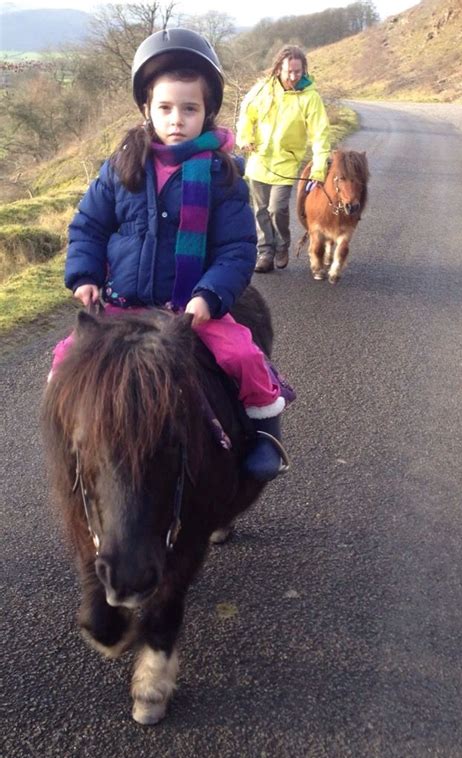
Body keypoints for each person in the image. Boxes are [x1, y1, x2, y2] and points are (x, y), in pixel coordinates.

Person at [50, 28, 293, 482]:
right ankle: (73, 440)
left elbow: (236, 248)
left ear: (207, 112)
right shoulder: (121, 165)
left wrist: (209, 296)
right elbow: (89, 225)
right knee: (66, 361)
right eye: (165, 108)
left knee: (243, 355)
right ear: (147, 108)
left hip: (189, 309)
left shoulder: (223, 176)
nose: (176, 118)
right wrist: (84, 275)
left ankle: (265, 435)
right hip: (122, 305)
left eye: (189, 108)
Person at [236, 44, 331, 273]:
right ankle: (265, 252)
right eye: (289, 71)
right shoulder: (262, 89)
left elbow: (320, 135)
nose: (293, 76)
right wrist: (244, 138)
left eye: (298, 72)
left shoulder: (310, 98)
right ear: (279, 68)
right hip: (259, 159)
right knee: (260, 210)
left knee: (277, 209)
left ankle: (281, 246)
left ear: (303, 71)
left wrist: (318, 169)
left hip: (286, 163)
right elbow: (246, 116)